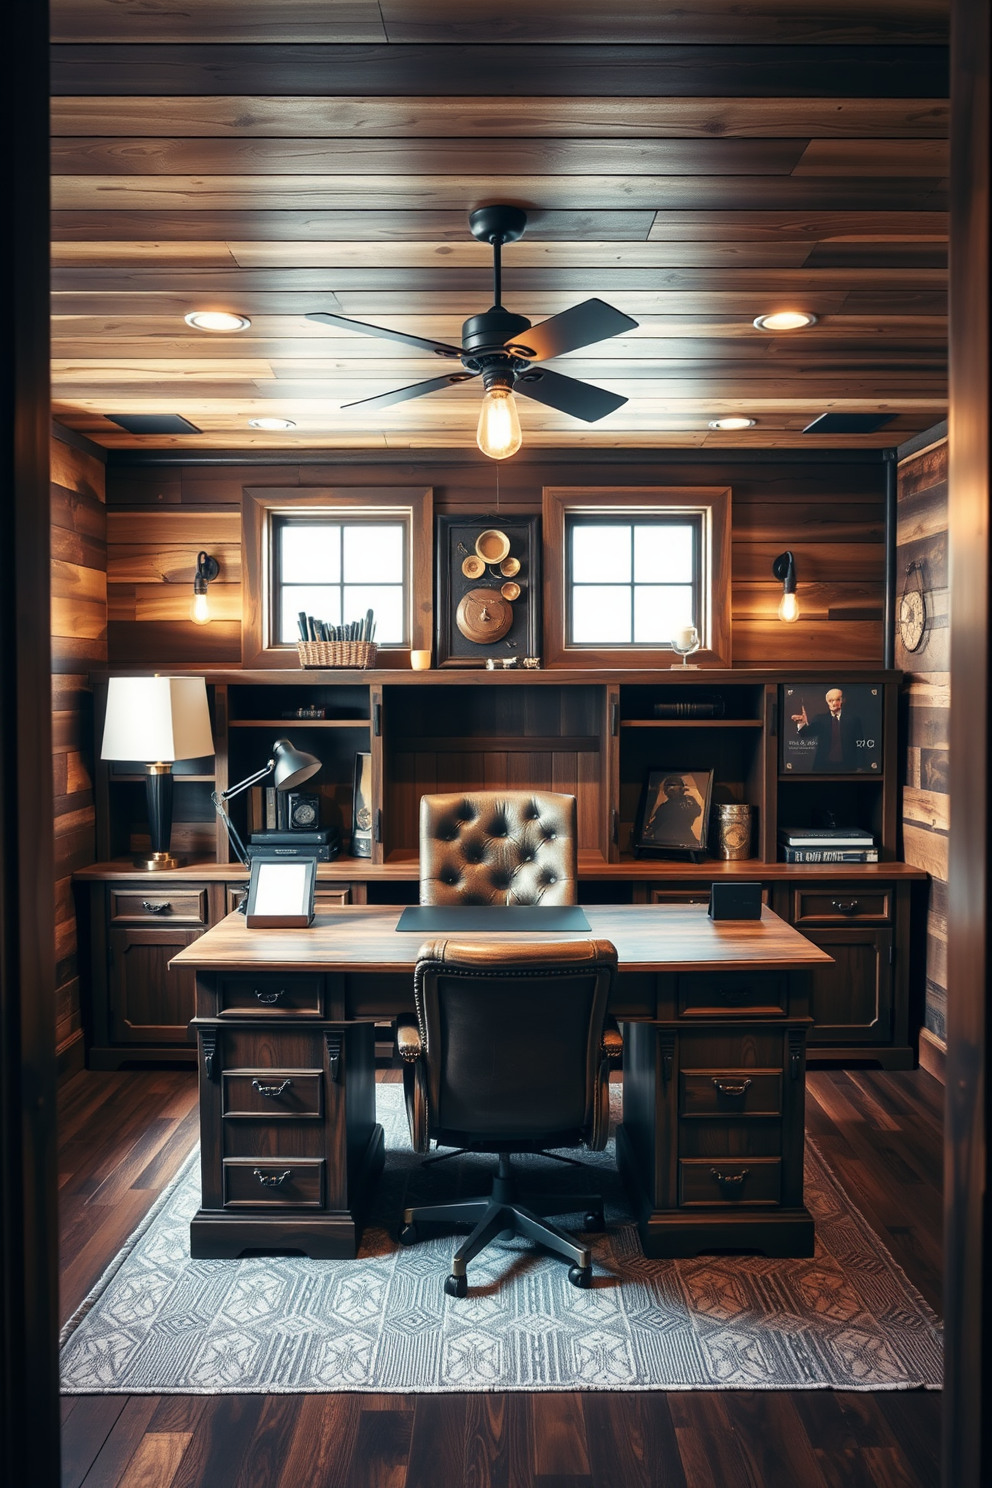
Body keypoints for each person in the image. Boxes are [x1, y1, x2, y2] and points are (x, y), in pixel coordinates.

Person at [791, 687, 864, 770]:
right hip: (823, 766)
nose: (834, 703)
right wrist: (802, 723)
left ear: (843, 700)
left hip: (848, 766)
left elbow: (860, 743)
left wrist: (860, 766)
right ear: (827, 702)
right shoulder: (820, 719)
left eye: (837, 700)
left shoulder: (853, 720)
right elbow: (806, 733)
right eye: (830, 700)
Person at [643, 775, 702, 845]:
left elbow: (696, 811)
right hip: (666, 840)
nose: (670, 788)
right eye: (667, 785)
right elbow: (656, 823)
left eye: (673, 785)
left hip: (683, 838)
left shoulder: (688, 801)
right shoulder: (664, 807)